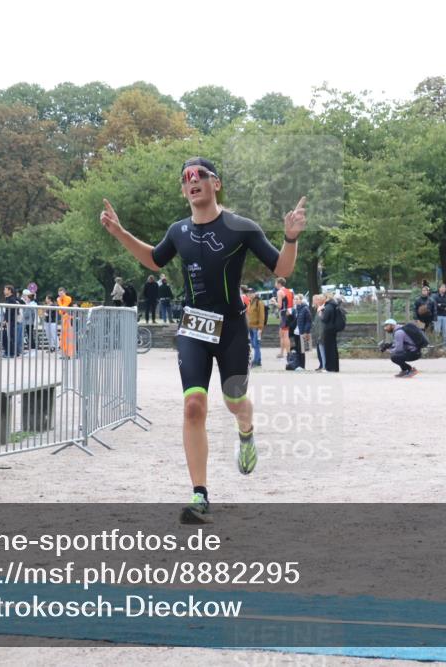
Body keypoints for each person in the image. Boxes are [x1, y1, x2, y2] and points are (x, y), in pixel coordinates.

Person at [99, 156, 306, 523]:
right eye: (186, 178)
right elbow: (153, 259)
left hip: (231, 328)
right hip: (194, 327)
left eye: (200, 175)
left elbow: (283, 269)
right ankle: (200, 494)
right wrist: (119, 233)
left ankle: (246, 429)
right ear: (184, 190)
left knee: (234, 400)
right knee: (194, 405)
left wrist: (290, 238)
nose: (192, 181)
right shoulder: (178, 231)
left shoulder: (241, 228)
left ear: (216, 183)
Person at [319, 292, 342, 372]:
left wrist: (320, 313)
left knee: (329, 349)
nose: (322, 299)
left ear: (326, 298)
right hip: (333, 329)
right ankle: (334, 367)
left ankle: (329, 367)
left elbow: (325, 319)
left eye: (323, 297)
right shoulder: (333, 305)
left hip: (328, 329)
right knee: (333, 348)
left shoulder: (328, 306)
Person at [275, 277, 294, 359]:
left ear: (279, 283)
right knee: (281, 334)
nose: (275, 285)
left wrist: (274, 302)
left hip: (284, 313)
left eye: (275, 283)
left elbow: (279, 305)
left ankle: (288, 353)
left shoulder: (280, 292)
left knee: (285, 335)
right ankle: (282, 353)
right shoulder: (290, 291)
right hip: (289, 312)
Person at [245, 288, 265, 368]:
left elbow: (261, 315)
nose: (249, 294)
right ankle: (258, 360)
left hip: (256, 327)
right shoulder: (251, 302)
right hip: (251, 327)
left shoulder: (259, 302)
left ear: (254, 293)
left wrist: (260, 327)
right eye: (248, 293)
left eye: (251, 293)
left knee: (256, 344)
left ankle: (256, 361)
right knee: (254, 344)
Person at [291, 294, 311, 370]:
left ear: (301, 300)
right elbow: (294, 321)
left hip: (302, 332)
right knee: (297, 349)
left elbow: (308, 321)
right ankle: (297, 365)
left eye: (297, 299)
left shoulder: (305, 308)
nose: (295, 301)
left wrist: (306, 331)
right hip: (296, 332)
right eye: (294, 299)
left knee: (302, 349)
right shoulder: (296, 309)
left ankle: (302, 366)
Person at [432, 283, 446, 348]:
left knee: (445, 331)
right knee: (437, 331)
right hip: (438, 315)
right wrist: (444, 307)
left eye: (444, 288)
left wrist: (441, 305)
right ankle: (437, 344)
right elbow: (435, 305)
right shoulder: (435, 296)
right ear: (439, 288)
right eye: (442, 287)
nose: (443, 289)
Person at [57, 287, 74, 356]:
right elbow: (61, 311)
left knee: (68, 336)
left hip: (69, 319)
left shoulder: (68, 298)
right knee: (63, 336)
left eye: (62, 293)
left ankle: (69, 353)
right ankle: (65, 353)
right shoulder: (60, 299)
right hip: (64, 318)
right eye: (59, 293)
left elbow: (62, 308)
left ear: (65, 292)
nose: (60, 295)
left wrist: (59, 301)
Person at [312, 294, 326, 371]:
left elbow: (321, 324)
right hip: (318, 334)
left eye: (314, 300)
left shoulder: (321, 309)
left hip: (321, 334)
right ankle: (321, 365)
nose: (313, 302)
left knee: (322, 351)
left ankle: (323, 365)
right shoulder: (317, 309)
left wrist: (320, 334)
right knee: (319, 351)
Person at [21, 289, 38, 355]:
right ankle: (31, 350)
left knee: (30, 336)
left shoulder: (30, 305)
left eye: (27, 298)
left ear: (29, 298)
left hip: (29, 322)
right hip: (30, 322)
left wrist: (23, 312)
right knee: (30, 336)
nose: (25, 299)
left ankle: (33, 351)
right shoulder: (31, 304)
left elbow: (26, 314)